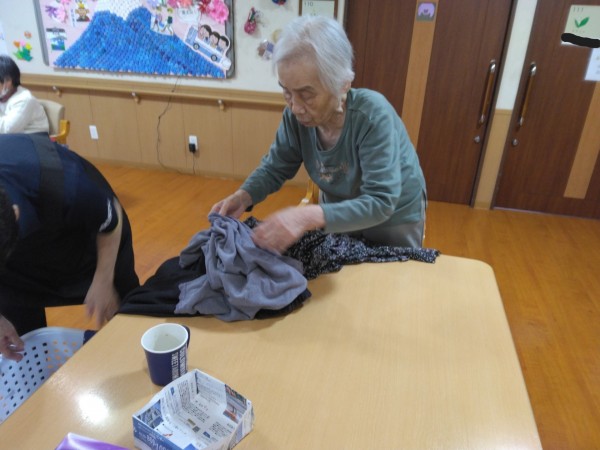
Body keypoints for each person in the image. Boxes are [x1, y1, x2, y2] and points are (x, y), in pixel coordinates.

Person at [211, 16, 427, 253]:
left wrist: (306, 216)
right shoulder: (295, 117)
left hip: (394, 217)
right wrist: (243, 196)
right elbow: (275, 167)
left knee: (389, 275)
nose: (295, 107)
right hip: (337, 214)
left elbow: (381, 201)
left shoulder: (372, 115)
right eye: (287, 92)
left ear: (342, 84)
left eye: (307, 95)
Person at [0, 134, 139, 361]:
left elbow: (110, 218)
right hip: (17, 266)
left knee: (125, 307)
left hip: (84, 235)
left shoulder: (62, 183)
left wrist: (103, 279)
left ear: (15, 213)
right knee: (21, 335)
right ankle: (38, 377)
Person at [0, 55, 50, 134]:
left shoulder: (24, 99)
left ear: (8, 81)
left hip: (33, 138)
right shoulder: (3, 95)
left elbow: (7, 129)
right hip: (13, 138)